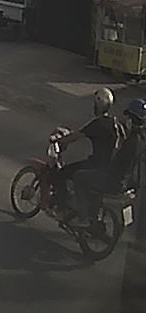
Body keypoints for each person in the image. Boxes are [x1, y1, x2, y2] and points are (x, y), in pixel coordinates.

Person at [54, 87, 124, 220]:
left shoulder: (98, 124)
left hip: (97, 165)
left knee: (63, 172)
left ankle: (63, 209)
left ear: (98, 105)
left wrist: (61, 140)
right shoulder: (115, 123)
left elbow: (77, 136)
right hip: (109, 166)